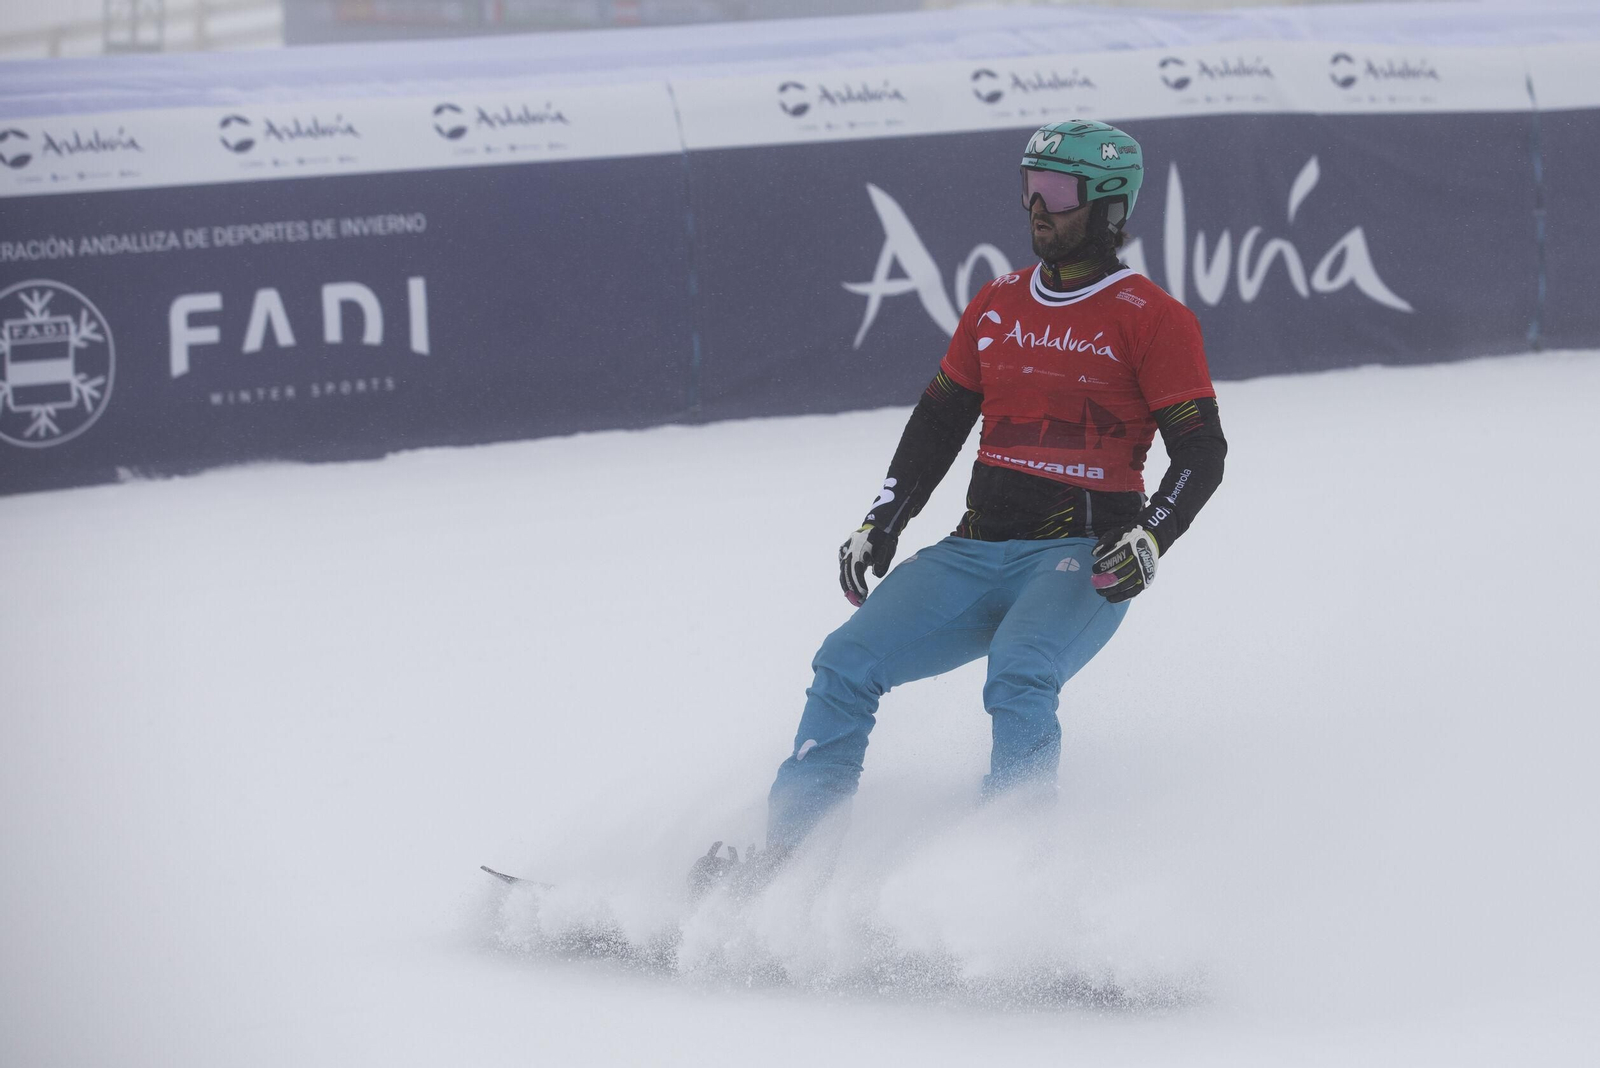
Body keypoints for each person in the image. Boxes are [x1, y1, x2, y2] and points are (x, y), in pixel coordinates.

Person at [692, 120, 1227, 894]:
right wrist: (884, 517)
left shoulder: (1153, 318)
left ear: (1111, 208)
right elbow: (940, 421)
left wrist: (1153, 535)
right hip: (975, 549)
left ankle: (1008, 889)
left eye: (1057, 193)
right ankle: (789, 874)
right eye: (1028, 188)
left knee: (1021, 672)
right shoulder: (999, 302)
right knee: (845, 662)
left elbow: (1200, 452)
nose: (1036, 208)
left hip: (1080, 558)